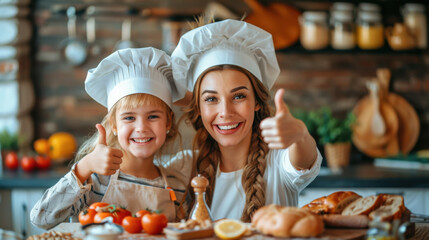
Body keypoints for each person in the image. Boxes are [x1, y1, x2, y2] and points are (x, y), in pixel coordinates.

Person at [171, 19, 322, 222]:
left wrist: (300, 134)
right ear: (199, 107)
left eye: (239, 96)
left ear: (257, 102)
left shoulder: (278, 162)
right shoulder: (185, 165)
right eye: (211, 99)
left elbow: (304, 157)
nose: (225, 112)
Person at [31, 47, 192, 229]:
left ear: (168, 122)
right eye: (129, 118)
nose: (141, 128)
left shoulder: (176, 185)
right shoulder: (95, 181)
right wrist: (85, 167)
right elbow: (40, 218)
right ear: (114, 125)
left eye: (153, 116)